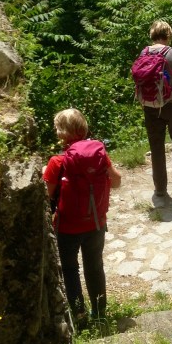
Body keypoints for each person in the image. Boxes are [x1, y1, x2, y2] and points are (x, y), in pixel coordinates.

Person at [43, 108, 121, 323]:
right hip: (96, 223)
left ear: (61, 133)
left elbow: (47, 194)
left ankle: (78, 314)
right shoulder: (99, 154)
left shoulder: (57, 162)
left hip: (67, 227)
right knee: (94, 266)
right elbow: (116, 181)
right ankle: (100, 314)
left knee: (69, 268)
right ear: (83, 127)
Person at [138, 20, 172, 207]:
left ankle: (160, 187)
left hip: (150, 106)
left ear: (152, 35)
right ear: (168, 34)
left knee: (156, 146)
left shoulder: (143, 53)